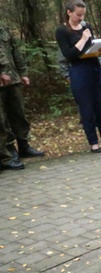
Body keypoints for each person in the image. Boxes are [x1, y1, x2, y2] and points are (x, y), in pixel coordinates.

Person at [55, 0, 101, 153]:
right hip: (79, 70)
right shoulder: (62, 31)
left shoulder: (87, 26)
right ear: (69, 13)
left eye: (83, 15)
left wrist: (100, 49)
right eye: (78, 15)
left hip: (94, 67)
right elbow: (69, 54)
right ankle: (93, 142)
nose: (81, 18)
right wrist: (83, 39)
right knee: (87, 107)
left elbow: (91, 47)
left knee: (100, 105)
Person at [0, 21, 45, 166]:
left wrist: (23, 72)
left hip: (13, 79)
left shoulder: (3, 27)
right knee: (2, 119)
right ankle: (8, 151)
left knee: (19, 114)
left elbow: (15, 51)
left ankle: (24, 146)